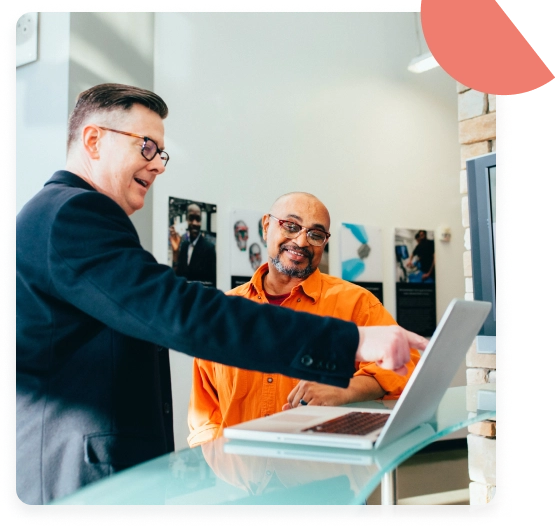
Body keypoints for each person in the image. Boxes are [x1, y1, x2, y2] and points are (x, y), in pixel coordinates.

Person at [13, 83, 427, 506]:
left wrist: (348, 386)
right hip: (81, 479)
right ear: (93, 140)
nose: (158, 166)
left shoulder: (56, 214)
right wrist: (352, 341)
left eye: (162, 153)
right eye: (147, 147)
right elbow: (182, 315)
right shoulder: (74, 213)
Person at [187, 193, 421, 447]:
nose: (301, 241)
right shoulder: (225, 311)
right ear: (266, 226)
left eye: (316, 234)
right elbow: (205, 412)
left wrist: (345, 389)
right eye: (291, 226)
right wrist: (219, 467)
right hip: (240, 477)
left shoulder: (357, 303)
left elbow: (407, 366)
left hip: (322, 474)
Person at [170, 203, 217, 287]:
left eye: (198, 219)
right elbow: (178, 276)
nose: (195, 223)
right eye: (191, 218)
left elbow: (212, 283)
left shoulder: (209, 248)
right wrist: (175, 252)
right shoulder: (184, 245)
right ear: (186, 220)